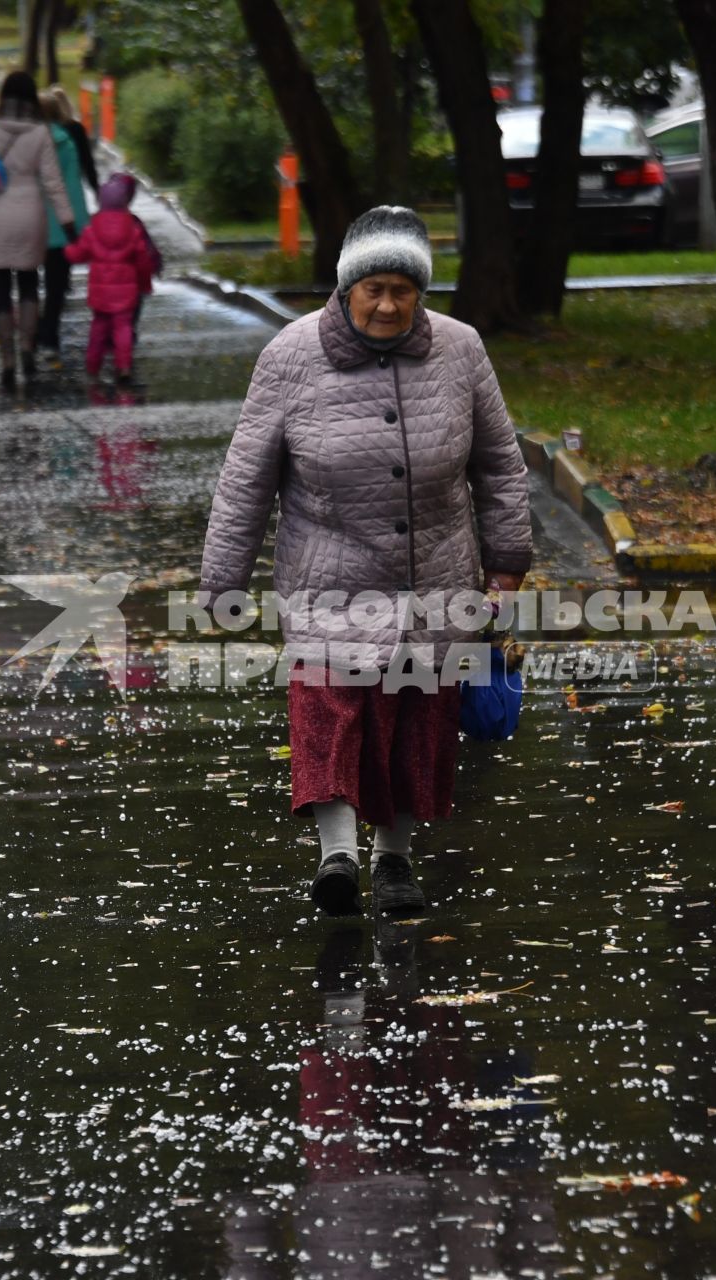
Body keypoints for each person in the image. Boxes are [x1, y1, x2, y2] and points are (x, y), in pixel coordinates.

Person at [197, 206, 532, 919]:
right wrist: (222, 579)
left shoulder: (461, 350)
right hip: (327, 578)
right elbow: (245, 476)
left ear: (422, 294)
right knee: (329, 711)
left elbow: (500, 465)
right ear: (345, 288)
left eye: (402, 290)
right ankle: (338, 856)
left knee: (416, 717)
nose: (387, 304)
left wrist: (507, 565)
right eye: (372, 288)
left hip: (435, 576)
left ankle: (396, 859)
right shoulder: (289, 356)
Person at [0, 71, 76, 391]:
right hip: (30, 215)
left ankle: (7, 360)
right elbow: (54, 183)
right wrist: (68, 225)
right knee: (27, 285)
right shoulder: (40, 134)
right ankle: (28, 349)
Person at [63, 172, 158, 386]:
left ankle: (93, 366)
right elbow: (143, 259)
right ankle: (123, 366)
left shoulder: (92, 228)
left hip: (100, 293)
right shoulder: (132, 229)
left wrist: (68, 250)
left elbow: (78, 253)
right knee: (123, 328)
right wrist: (145, 283)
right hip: (126, 291)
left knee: (98, 328)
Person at [35, 88, 94, 357]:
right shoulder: (67, 142)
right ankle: (49, 330)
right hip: (64, 221)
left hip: (34, 220)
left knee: (31, 280)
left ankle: (37, 329)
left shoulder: (28, 144)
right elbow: (72, 183)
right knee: (57, 281)